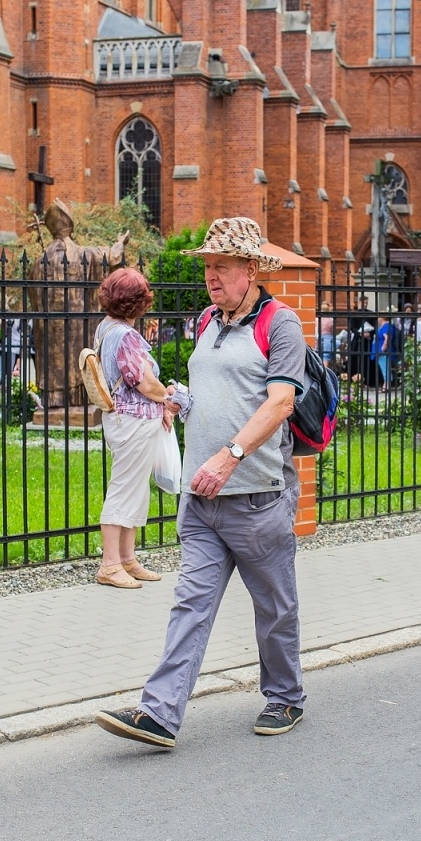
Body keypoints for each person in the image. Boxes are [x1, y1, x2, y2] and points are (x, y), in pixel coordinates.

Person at [96, 217, 307, 749]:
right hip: (202, 498)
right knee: (190, 604)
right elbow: (218, 392)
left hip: (257, 496)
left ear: (251, 269)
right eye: (208, 266)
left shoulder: (280, 324)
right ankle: (159, 713)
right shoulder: (208, 320)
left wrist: (230, 456)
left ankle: (285, 696)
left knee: (274, 607)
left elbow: (280, 402)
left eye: (222, 267)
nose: (210, 276)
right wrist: (181, 402)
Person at [93, 268, 177, 589]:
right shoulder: (125, 335)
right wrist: (168, 398)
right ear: (139, 302)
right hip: (132, 421)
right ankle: (110, 565)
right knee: (124, 489)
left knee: (135, 489)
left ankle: (127, 560)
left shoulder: (106, 328)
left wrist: (160, 406)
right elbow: (143, 381)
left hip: (126, 419)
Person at [371, 313, 398, 391]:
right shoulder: (384, 326)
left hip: (383, 352)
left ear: (382, 318)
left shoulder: (387, 326)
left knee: (385, 368)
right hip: (380, 351)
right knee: (384, 367)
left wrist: (383, 348)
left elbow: (387, 338)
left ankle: (387, 386)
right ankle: (385, 384)